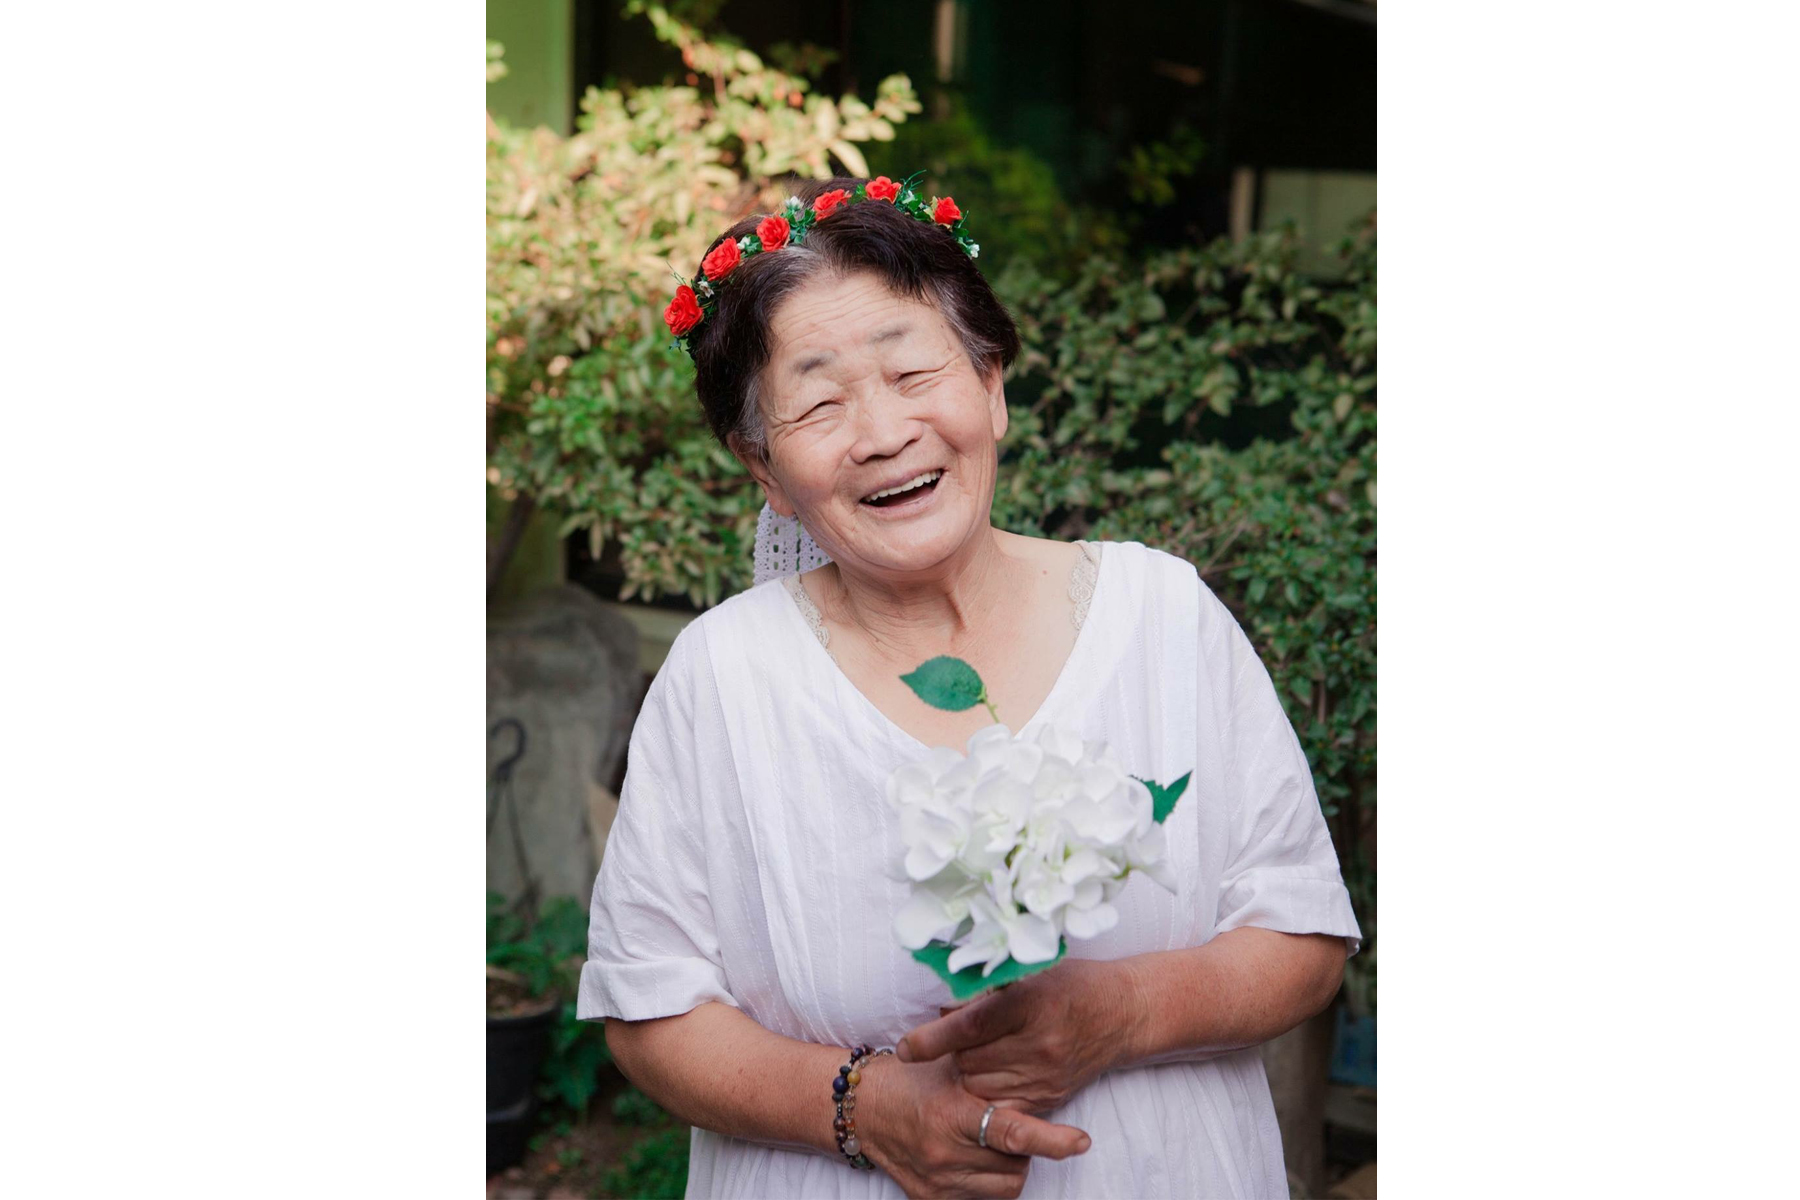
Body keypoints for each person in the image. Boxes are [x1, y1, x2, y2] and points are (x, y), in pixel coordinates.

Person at [579, 174, 1362, 1199]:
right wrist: (864, 1107)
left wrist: (1121, 1012)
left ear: (991, 384)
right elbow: (649, 1010)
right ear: (764, 469)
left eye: (913, 371)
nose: (882, 432)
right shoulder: (724, 677)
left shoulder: (1163, 618)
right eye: (818, 404)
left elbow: (1303, 937)